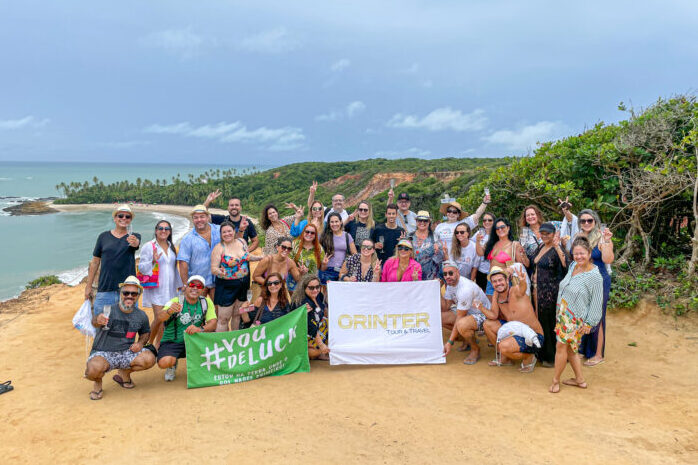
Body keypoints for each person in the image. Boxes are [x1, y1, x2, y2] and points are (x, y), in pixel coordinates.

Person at [84, 276, 155, 400]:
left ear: (138, 296)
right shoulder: (108, 310)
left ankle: (124, 373)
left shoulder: (141, 315)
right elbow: (94, 321)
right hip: (103, 352)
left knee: (149, 359)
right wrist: (98, 320)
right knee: (92, 371)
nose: (129, 296)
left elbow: (145, 333)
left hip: (126, 353)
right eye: (126, 293)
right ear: (120, 293)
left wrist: (140, 343)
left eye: (133, 293)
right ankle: (97, 382)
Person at [549, 237, 604, 393]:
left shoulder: (595, 276)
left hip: (575, 317)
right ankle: (580, 380)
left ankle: (555, 381)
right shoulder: (573, 265)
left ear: (589, 253)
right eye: (575, 254)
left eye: (582, 254)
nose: (579, 257)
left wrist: (589, 324)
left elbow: (596, 301)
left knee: (560, 347)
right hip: (563, 313)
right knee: (571, 349)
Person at [561, 207, 614, 366]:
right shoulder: (577, 236)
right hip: (581, 278)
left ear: (595, 221)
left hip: (598, 280)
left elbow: (608, 259)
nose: (586, 223)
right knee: (581, 314)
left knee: (597, 316)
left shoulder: (602, 237)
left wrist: (605, 242)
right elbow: (573, 256)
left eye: (589, 220)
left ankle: (598, 354)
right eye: (583, 220)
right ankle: (583, 349)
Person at [478, 266, 545, 373]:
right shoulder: (497, 296)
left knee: (503, 346)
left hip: (533, 336)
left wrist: (522, 281)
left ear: (507, 280)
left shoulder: (515, 291)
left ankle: (530, 357)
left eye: (500, 280)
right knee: (487, 324)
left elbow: (522, 288)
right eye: (494, 281)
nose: (498, 283)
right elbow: (493, 315)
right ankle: (505, 358)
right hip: (515, 330)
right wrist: (480, 307)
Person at [157, 275, 217, 382]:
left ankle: (198, 365)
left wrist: (200, 329)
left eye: (199, 286)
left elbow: (213, 323)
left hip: (194, 341)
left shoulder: (205, 302)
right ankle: (172, 364)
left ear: (202, 290)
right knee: (164, 362)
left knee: (216, 351)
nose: (195, 288)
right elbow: (160, 317)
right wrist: (169, 311)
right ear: (186, 287)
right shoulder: (176, 301)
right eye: (192, 285)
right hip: (173, 341)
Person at [84, 204, 141, 316]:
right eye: (120, 216)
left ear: (130, 220)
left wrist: (135, 243)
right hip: (105, 289)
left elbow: (136, 244)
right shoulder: (103, 237)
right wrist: (88, 286)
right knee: (102, 326)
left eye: (127, 217)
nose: (124, 218)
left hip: (128, 291)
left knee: (128, 324)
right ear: (115, 218)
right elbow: (95, 262)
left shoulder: (134, 236)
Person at [138, 220, 182, 349]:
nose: (163, 231)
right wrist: (153, 260)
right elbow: (141, 268)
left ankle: (158, 345)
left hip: (170, 289)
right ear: (156, 230)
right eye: (160, 228)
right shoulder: (149, 246)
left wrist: (180, 285)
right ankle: (148, 343)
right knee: (159, 318)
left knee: (165, 319)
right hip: (156, 288)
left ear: (170, 231)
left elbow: (174, 269)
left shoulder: (172, 246)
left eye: (166, 228)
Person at [211, 222, 262, 332]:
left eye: (229, 231)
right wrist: (220, 272)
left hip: (243, 284)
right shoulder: (219, 248)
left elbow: (247, 256)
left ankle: (235, 342)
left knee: (237, 315)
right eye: (224, 232)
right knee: (223, 319)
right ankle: (221, 344)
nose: (227, 234)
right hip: (226, 287)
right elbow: (213, 269)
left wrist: (260, 258)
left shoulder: (241, 241)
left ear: (234, 232)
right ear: (221, 234)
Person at [530, 222, 569, 367]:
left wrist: (558, 245)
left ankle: (552, 356)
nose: (544, 235)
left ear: (553, 234)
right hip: (537, 290)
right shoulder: (541, 246)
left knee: (548, 322)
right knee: (540, 320)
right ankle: (542, 353)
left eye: (547, 233)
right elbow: (532, 263)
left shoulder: (556, 249)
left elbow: (566, 265)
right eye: (542, 233)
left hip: (550, 292)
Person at [441, 261, 491, 365]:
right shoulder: (450, 285)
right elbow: (445, 306)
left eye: (450, 273)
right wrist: (436, 289)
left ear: (457, 272)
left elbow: (460, 317)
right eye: (445, 274)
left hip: (484, 315)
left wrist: (450, 342)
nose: (447, 276)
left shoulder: (465, 289)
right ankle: (467, 339)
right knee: (441, 317)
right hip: (467, 312)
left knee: (462, 324)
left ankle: (475, 349)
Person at [477, 217, 529, 299]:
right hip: (491, 279)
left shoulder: (514, 245)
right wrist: (477, 241)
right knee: (492, 306)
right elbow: (480, 253)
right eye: (497, 228)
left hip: (505, 280)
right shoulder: (491, 244)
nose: (500, 229)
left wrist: (523, 254)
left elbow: (522, 265)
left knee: (505, 307)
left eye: (502, 227)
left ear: (508, 228)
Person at [177, 205, 221, 298]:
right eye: (196, 218)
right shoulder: (187, 239)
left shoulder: (219, 230)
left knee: (218, 311)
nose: (199, 220)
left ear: (208, 217)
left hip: (218, 279)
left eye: (202, 217)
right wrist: (185, 284)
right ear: (192, 219)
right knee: (198, 310)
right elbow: (183, 263)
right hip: (198, 282)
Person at [291, 274, 330, 360]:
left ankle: (320, 350)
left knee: (330, 322)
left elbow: (325, 309)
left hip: (317, 327)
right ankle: (322, 351)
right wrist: (321, 345)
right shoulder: (303, 303)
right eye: (311, 288)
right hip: (303, 333)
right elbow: (310, 326)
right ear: (304, 288)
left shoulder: (319, 296)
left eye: (317, 287)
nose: (315, 290)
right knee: (310, 352)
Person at [320, 212, 357, 283]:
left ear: (340, 222)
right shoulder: (324, 237)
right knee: (329, 293)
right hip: (329, 271)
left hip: (344, 271)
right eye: (332, 222)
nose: (334, 224)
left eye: (336, 221)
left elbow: (354, 254)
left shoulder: (347, 236)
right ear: (329, 224)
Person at [408, 210, 443, 280]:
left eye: (425, 221)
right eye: (419, 220)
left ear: (429, 222)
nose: (422, 223)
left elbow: (441, 257)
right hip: (413, 274)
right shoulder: (409, 236)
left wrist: (438, 250)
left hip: (431, 276)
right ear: (416, 221)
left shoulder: (435, 236)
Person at [473, 212, 496, 292]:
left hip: (494, 270)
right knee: (482, 294)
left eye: (490, 220)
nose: (487, 222)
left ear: (494, 222)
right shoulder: (479, 233)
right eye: (484, 220)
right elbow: (471, 244)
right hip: (481, 270)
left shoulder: (497, 234)